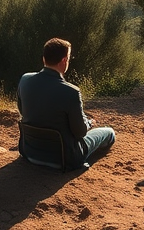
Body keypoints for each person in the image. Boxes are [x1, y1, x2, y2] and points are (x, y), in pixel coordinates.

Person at [17, 37, 116, 170]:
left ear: (44, 59)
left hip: (30, 152)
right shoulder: (71, 92)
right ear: (64, 61)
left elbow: (23, 111)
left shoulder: (25, 79)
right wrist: (88, 123)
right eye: (69, 58)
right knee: (109, 133)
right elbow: (80, 132)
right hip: (63, 159)